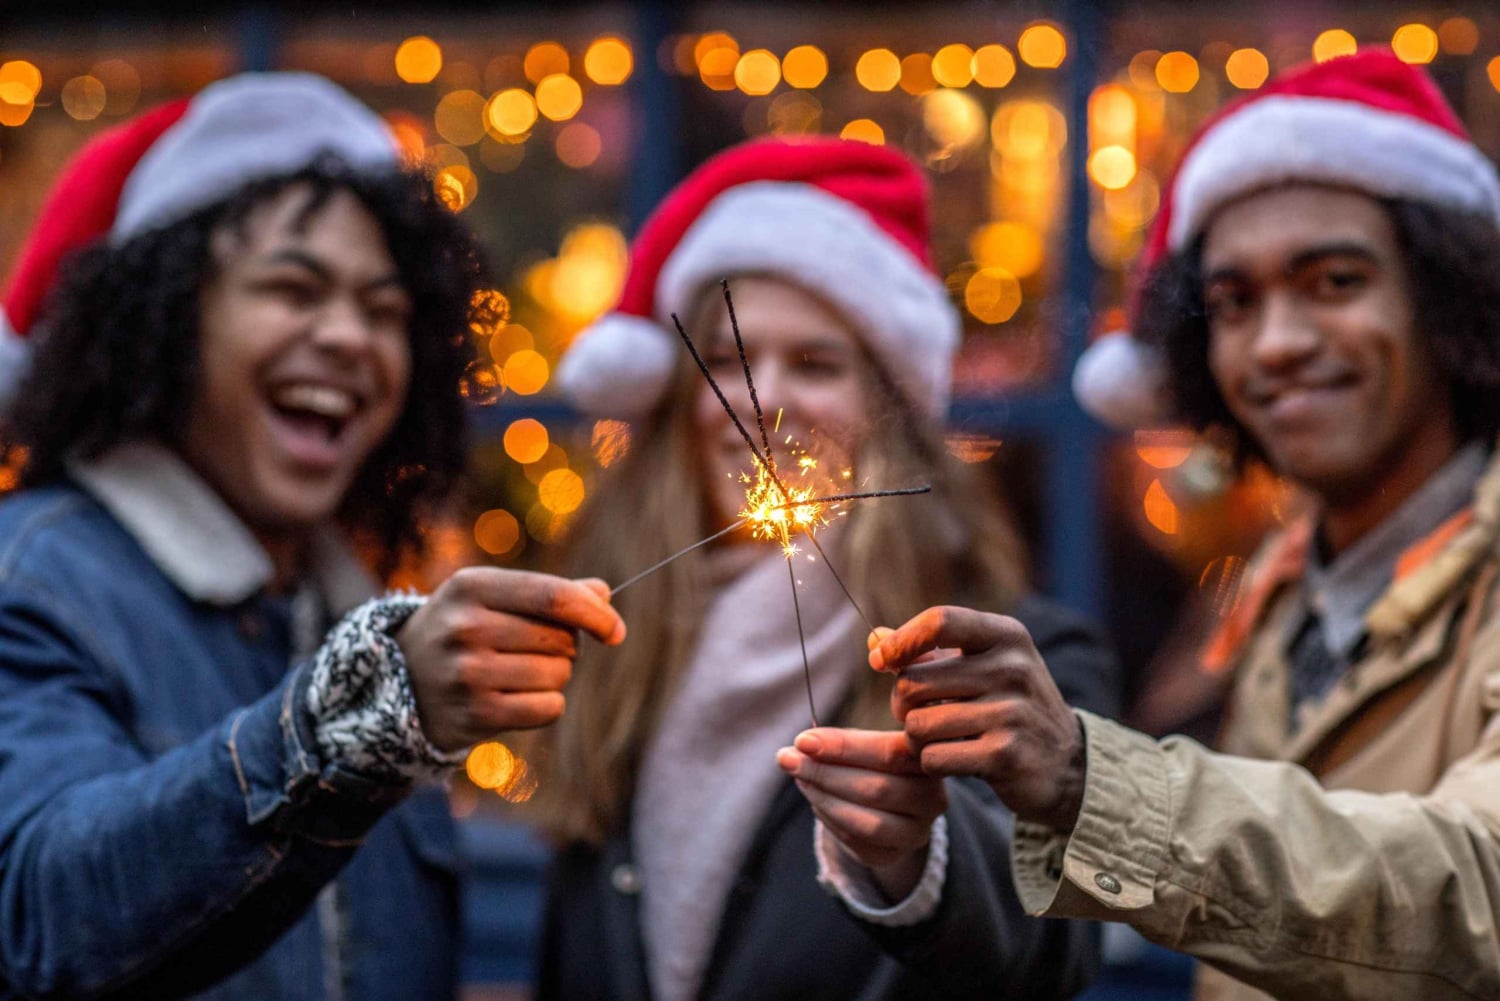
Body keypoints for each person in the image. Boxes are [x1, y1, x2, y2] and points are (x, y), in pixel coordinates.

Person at [798, 48, 1500, 1001]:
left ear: (1446, 294)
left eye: (1335, 281)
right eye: (1234, 302)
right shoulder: (1284, 587)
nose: (1280, 342)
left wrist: (1090, 779)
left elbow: (1476, 887)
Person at [0, 73, 624, 1000]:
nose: (348, 338)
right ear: (163, 322)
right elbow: (45, 913)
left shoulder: (348, 603)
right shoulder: (35, 575)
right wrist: (353, 724)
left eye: (384, 309)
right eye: (295, 288)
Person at [527, 136, 1119, 1001]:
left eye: (815, 363)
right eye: (728, 360)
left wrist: (915, 861)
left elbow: (1054, 944)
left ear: (890, 411)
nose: (762, 399)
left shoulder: (1004, 659)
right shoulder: (622, 638)